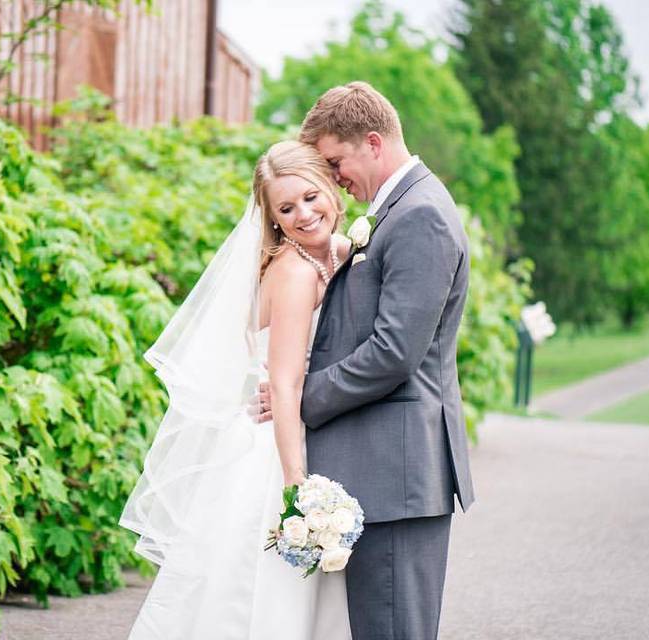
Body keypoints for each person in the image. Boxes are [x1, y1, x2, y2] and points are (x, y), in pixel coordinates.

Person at [253, 81, 475, 639]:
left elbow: (394, 353)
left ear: (372, 143)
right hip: (379, 473)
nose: (332, 179)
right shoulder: (391, 212)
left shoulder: (418, 214)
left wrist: (298, 396)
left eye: (334, 162)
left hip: (397, 474)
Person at [121, 140, 354, 639]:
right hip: (276, 450)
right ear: (272, 221)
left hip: (313, 429)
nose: (304, 215)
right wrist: (298, 487)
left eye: (311, 197)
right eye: (286, 209)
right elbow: (286, 383)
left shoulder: (343, 251)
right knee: (257, 594)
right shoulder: (292, 274)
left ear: (333, 189)